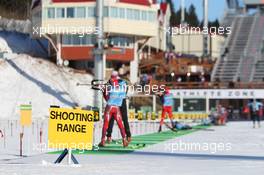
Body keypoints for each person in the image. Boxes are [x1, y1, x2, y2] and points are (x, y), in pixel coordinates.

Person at [99, 76, 128, 147]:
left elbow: (106, 98)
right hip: (117, 108)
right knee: (120, 124)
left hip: (109, 108)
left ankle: (103, 141)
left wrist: (104, 90)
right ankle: (124, 140)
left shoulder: (111, 89)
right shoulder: (122, 90)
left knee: (105, 124)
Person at [106, 78, 132, 143]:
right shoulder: (124, 82)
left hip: (116, 100)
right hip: (122, 100)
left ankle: (109, 137)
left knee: (112, 118)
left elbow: (109, 91)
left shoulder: (113, 82)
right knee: (124, 119)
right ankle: (128, 136)